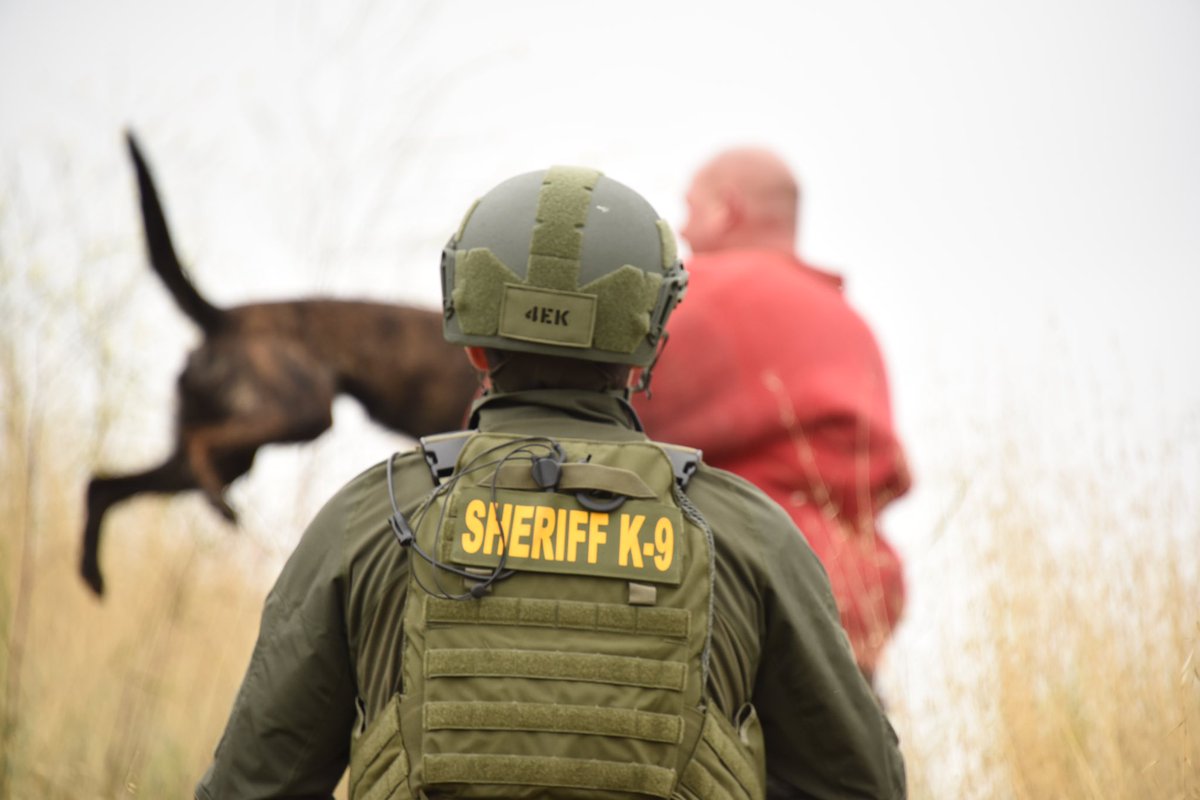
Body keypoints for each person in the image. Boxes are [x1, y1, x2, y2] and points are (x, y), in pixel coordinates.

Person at [195, 166, 906, 799]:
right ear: (650, 344)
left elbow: (257, 782)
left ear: (470, 339)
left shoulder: (371, 517)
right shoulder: (748, 535)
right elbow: (860, 784)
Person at [633, 148, 911, 682]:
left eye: (691, 209)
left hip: (741, 617)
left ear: (726, 211)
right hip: (853, 621)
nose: (684, 230)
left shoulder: (700, 295)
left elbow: (591, 408)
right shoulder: (853, 325)